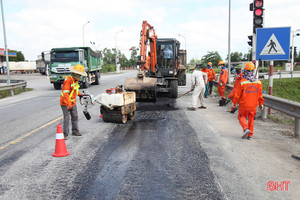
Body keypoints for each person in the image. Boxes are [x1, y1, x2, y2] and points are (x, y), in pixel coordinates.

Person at [232, 62, 264, 140]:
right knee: (251, 119)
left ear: (245, 72)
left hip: (244, 105)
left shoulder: (242, 82)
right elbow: (260, 95)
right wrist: (261, 103)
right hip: (254, 105)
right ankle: (250, 136)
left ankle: (245, 129)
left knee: (241, 117)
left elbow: (237, 95)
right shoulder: (258, 82)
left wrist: (234, 103)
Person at [60, 64, 86, 140]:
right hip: (65, 103)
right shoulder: (68, 80)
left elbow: (75, 89)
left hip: (72, 102)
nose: (80, 76)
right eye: (80, 75)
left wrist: (80, 94)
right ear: (76, 74)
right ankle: (65, 134)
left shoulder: (75, 80)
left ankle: (75, 131)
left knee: (75, 116)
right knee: (67, 118)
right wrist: (68, 104)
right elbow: (65, 93)